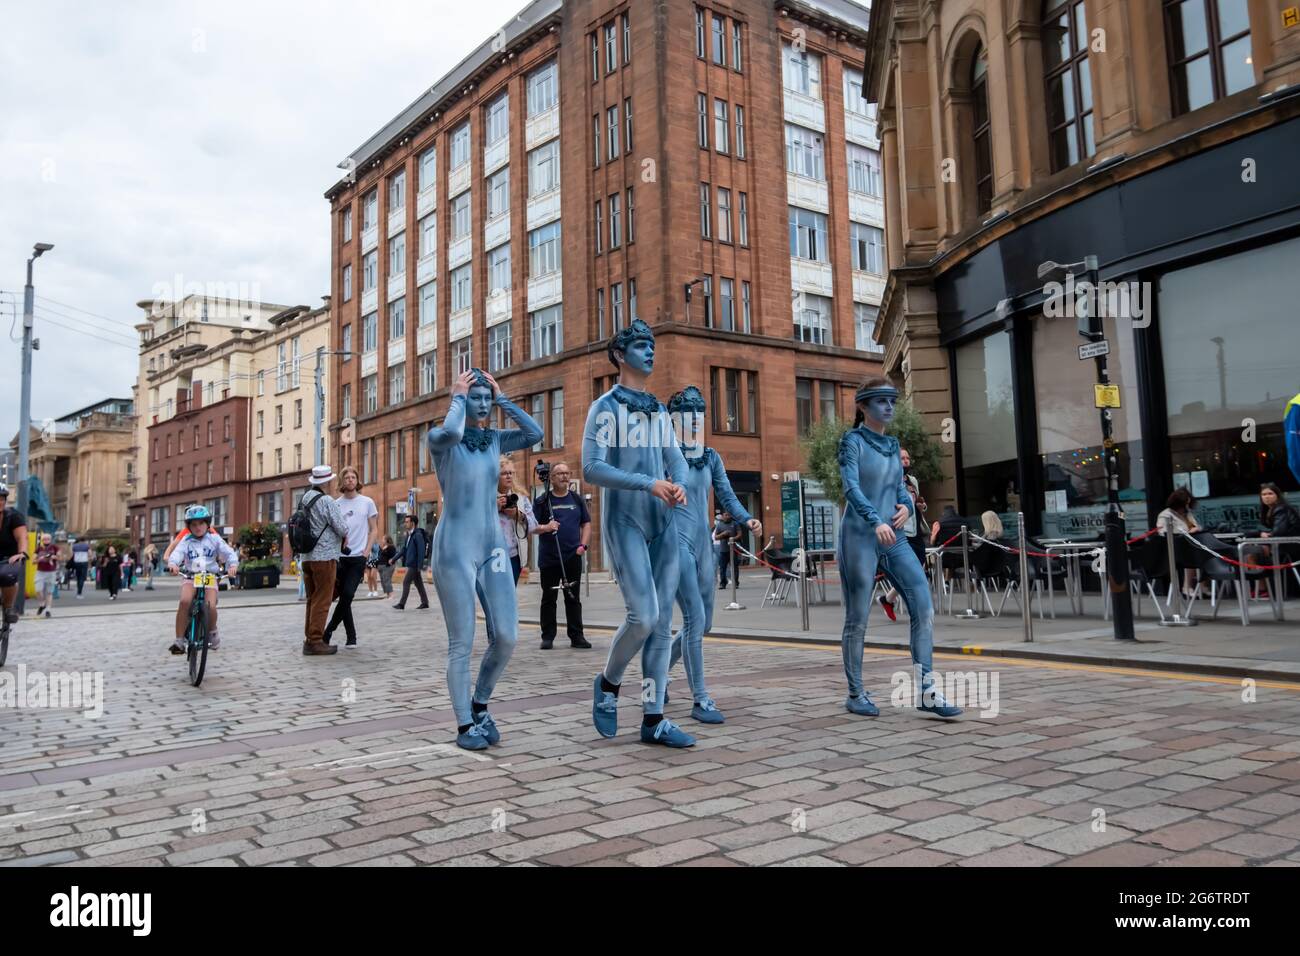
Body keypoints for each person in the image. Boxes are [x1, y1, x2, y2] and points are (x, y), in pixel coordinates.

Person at [583, 319, 694, 748]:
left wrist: (678, 481)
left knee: (663, 624)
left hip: (663, 522)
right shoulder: (606, 408)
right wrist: (648, 483)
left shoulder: (657, 409)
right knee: (643, 617)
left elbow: (676, 458)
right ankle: (608, 683)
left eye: (652, 345)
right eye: (641, 345)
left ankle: (653, 717)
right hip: (626, 520)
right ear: (619, 355)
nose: (650, 351)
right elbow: (592, 468)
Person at [427, 368, 542, 751]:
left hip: (493, 544)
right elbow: (453, 432)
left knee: (507, 636)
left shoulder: (494, 439)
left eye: (483, 398)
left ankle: (480, 704)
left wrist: (503, 397)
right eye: (472, 396)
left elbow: (534, 435)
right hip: (455, 546)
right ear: (459, 398)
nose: (480, 404)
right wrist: (457, 397)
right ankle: (463, 724)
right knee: (462, 640)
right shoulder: (441, 438)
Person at [838, 377, 962, 719]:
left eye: (892, 400)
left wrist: (906, 503)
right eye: (881, 401)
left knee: (923, 604)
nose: (889, 407)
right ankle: (856, 692)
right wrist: (874, 520)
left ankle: (927, 690)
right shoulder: (851, 442)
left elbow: (897, 487)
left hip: (894, 537)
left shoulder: (893, 445)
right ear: (863, 406)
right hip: (859, 536)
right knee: (858, 617)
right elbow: (851, 488)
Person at [665, 386, 761, 724]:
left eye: (699, 412)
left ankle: (660, 670)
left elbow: (727, 495)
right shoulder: (663, 454)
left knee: (705, 622)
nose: (694, 418)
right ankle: (700, 697)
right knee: (693, 619)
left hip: (703, 543)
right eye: (686, 412)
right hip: (674, 544)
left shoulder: (710, 456)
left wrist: (746, 517)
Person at [533, 461, 592, 650]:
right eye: (559, 473)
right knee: (549, 598)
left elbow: (587, 524)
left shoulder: (576, 499)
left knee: (573, 597)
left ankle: (577, 636)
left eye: (567, 473)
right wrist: (546, 527)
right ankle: (548, 636)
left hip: (572, 557)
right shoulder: (543, 501)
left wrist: (583, 546)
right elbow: (531, 526)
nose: (564, 476)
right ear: (551, 477)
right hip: (549, 558)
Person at [165, 505, 239, 653]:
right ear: (189, 526)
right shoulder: (186, 540)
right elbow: (177, 553)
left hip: (209, 576)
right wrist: (173, 564)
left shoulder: (214, 539)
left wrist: (233, 566)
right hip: (191, 576)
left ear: (207, 524)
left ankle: (212, 632)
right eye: (194, 524)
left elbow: (229, 553)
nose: (198, 527)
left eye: (201, 523)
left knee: (210, 605)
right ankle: (179, 640)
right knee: (185, 601)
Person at [324, 465, 378, 648]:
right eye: (346, 477)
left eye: (353, 477)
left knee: (348, 594)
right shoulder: (336, 504)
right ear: (342, 481)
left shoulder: (367, 502)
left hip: (358, 557)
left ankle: (329, 630)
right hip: (339, 558)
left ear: (357, 480)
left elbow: (374, 529)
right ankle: (351, 637)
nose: (350, 480)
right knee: (343, 597)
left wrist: (367, 550)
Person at [296, 465, 347, 655]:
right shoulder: (327, 501)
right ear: (327, 481)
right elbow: (342, 528)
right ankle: (316, 640)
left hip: (307, 557)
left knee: (312, 598)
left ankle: (309, 639)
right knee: (323, 599)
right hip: (324, 557)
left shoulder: (305, 499)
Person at [879, 447, 927, 622]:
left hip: (915, 529)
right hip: (900, 530)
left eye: (908, 457)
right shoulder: (888, 481)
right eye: (902, 458)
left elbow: (917, 502)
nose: (906, 460)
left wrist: (921, 507)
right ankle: (915, 607)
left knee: (919, 566)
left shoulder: (912, 480)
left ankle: (888, 599)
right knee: (911, 571)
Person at [1158, 487, 1202, 597]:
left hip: (1189, 544)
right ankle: (1187, 586)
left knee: (1205, 553)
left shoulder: (1187, 514)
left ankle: (1202, 586)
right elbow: (1163, 533)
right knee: (1192, 554)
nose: (1187, 507)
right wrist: (1186, 532)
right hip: (1173, 549)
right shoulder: (1166, 515)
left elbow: (1195, 526)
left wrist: (1195, 529)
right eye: (1185, 505)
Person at [0, 484, 28, 627]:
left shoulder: (13, 516)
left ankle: (8, 608)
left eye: (2, 498)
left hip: (8, 557)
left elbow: (22, 537)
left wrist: (21, 553)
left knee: (8, 576)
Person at [392, 513, 430, 610]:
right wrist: (394, 559)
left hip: (415, 564)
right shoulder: (409, 535)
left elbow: (421, 551)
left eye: (407, 522)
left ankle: (401, 604)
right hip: (412, 564)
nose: (405, 524)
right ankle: (425, 602)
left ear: (412, 523)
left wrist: (419, 565)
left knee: (406, 582)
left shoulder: (417, 535)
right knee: (418, 583)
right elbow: (404, 550)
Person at [33, 533, 60, 618]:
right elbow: (33, 561)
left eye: (48, 539)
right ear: (42, 540)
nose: (46, 541)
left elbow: (60, 557)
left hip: (51, 572)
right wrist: (39, 559)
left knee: (49, 592)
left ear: (50, 539)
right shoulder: (38, 549)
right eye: (44, 539)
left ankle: (48, 610)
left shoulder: (55, 547)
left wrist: (53, 557)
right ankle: (42, 604)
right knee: (38, 589)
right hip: (40, 572)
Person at [713, 511, 740, 589]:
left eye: (729, 515)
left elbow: (740, 534)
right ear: (723, 516)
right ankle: (723, 583)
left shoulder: (735, 524)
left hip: (734, 549)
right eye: (726, 515)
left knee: (735, 567)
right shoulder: (719, 525)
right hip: (723, 550)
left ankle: (736, 583)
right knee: (722, 568)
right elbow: (716, 537)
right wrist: (723, 534)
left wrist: (733, 538)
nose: (727, 516)